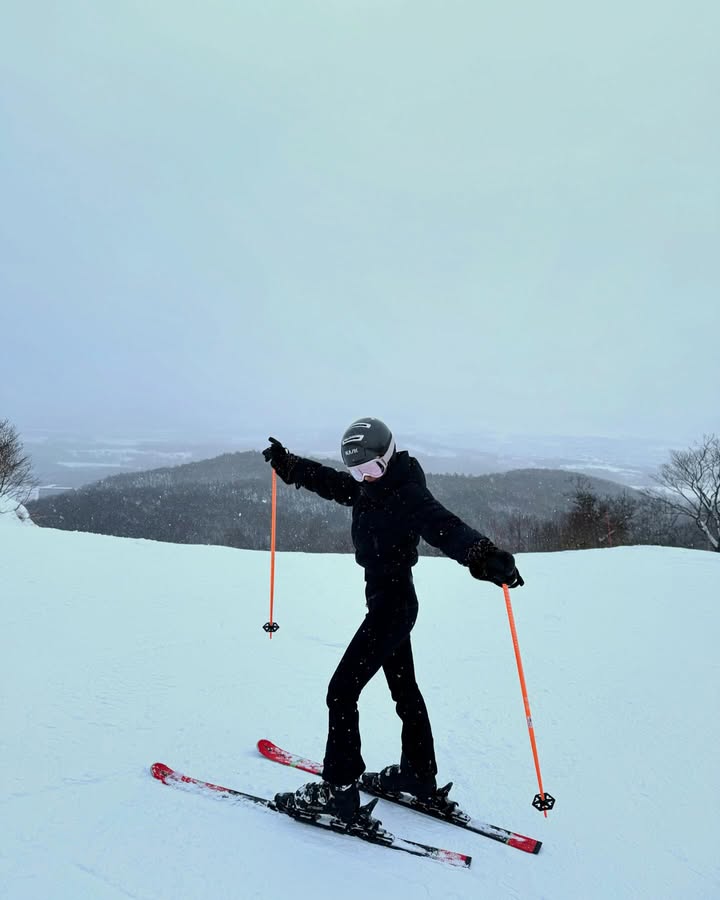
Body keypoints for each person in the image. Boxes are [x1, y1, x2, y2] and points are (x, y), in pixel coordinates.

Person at [263, 417, 524, 827]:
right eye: (358, 471)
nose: (364, 478)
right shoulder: (369, 489)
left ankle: (339, 791)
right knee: (404, 690)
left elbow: (446, 527)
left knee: (341, 691)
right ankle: (418, 776)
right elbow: (332, 483)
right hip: (389, 606)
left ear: (389, 455)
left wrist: (485, 556)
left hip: (393, 608)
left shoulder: (405, 493)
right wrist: (290, 465)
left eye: (371, 468)